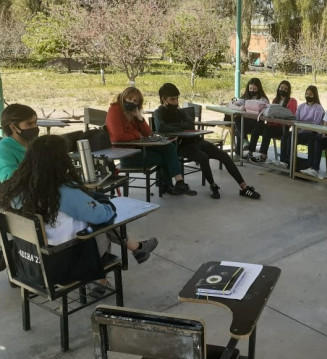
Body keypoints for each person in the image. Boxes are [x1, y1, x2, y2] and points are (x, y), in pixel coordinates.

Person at [0, 136, 158, 292]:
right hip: (64, 266)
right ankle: (108, 273)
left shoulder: (15, 189)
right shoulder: (63, 191)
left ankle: (137, 250)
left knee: (83, 218)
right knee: (104, 224)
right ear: (61, 160)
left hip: (30, 263)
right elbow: (101, 215)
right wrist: (106, 204)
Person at [153, 83, 261, 199]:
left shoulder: (179, 111)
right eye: (172, 99)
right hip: (179, 146)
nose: (176, 102)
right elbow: (161, 128)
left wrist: (175, 126)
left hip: (194, 141)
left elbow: (190, 124)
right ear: (163, 99)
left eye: (177, 98)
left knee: (224, 155)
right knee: (203, 157)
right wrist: (181, 126)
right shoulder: (159, 112)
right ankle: (213, 185)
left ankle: (244, 187)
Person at [105, 86, 196, 196]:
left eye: (135, 101)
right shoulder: (115, 110)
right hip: (128, 155)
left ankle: (178, 182)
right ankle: (168, 186)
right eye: (129, 99)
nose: (132, 102)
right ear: (124, 97)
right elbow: (117, 137)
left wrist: (140, 118)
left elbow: (148, 133)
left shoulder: (133, 112)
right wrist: (137, 135)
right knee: (166, 158)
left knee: (169, 147)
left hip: (140, 149)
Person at [248, 80, 297, 163]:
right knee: (258, 126)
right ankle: (250, 152)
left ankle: (263, 156)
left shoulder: (292, 101)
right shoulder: (275, 100)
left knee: (268, 130)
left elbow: (290, 114)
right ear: (278, 88)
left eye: (285, 89)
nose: (283, 90)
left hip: (282, 128)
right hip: (271, 124)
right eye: (281, 88)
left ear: (288, 91)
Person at [278, 85, 325, 168]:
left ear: (315, 95)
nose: (308, 96)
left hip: (311, 133)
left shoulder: (318, 108)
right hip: (299, 131)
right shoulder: (301, 106)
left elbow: (316, 124)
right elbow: (296, 119)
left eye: (310, 94)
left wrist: (302, 127)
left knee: (291, 138)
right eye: (306, 94)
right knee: (285, 136)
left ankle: (289, 161)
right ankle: (283, 160)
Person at [229, 77, 269, 157]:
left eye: (254, 89)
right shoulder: (245, 97)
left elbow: (266, 109)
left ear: (259, 88)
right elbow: (232, 104)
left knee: (252, 130)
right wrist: (238, 107)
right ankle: (244, 141)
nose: (252, 91)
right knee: (237, 120)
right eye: (250, 89)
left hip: (258, 122)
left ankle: (250, 152)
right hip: (247, 121)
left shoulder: (263, 99)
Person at [0, 103, 39, 182]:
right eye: (29, 124)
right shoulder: (4, 150)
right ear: (13, 127)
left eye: (35, 122)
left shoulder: (36, 144)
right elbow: (9, 179)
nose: (35, 127)